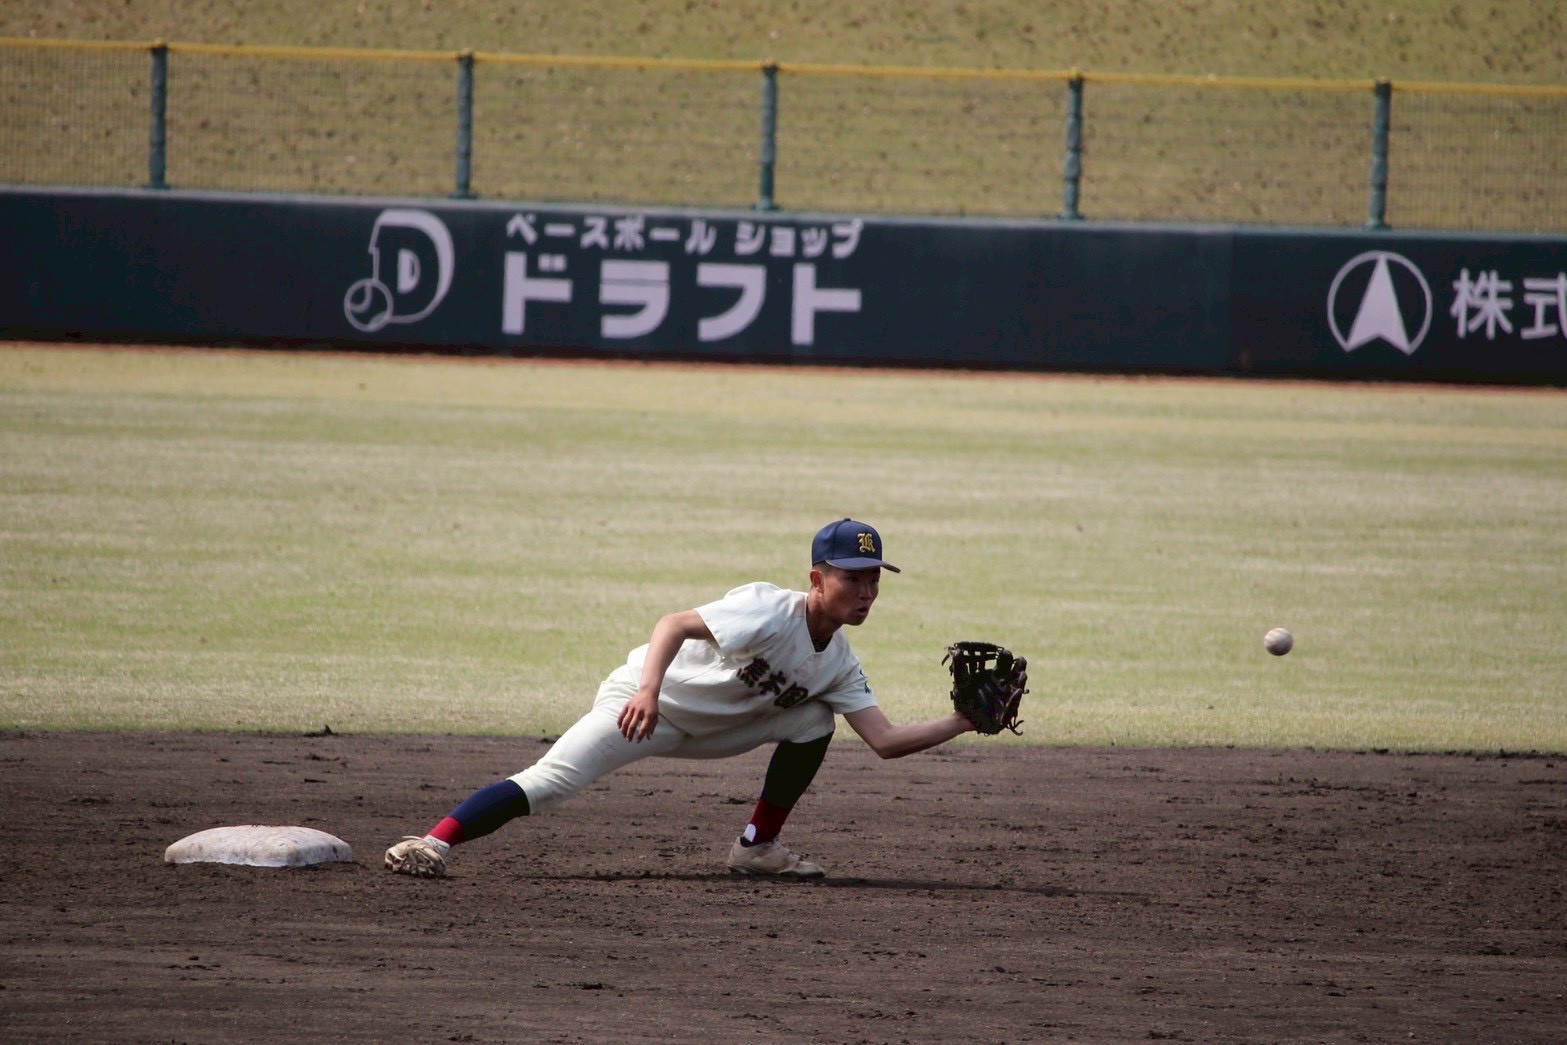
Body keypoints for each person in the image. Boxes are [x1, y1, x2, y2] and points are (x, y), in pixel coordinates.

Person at [384, 518, 976, 880]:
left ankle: (756, 848)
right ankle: (433, 842)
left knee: (816, 718)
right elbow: (673, 623)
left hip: (718, 731)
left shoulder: (840, 663)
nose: (866, 591)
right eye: (852, 578)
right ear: (817, 579)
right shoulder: (769, 608)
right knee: (551, 783)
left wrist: (964, 720)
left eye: (873, 579)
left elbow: (884, 741)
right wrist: (646, 690)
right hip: (645, 706)